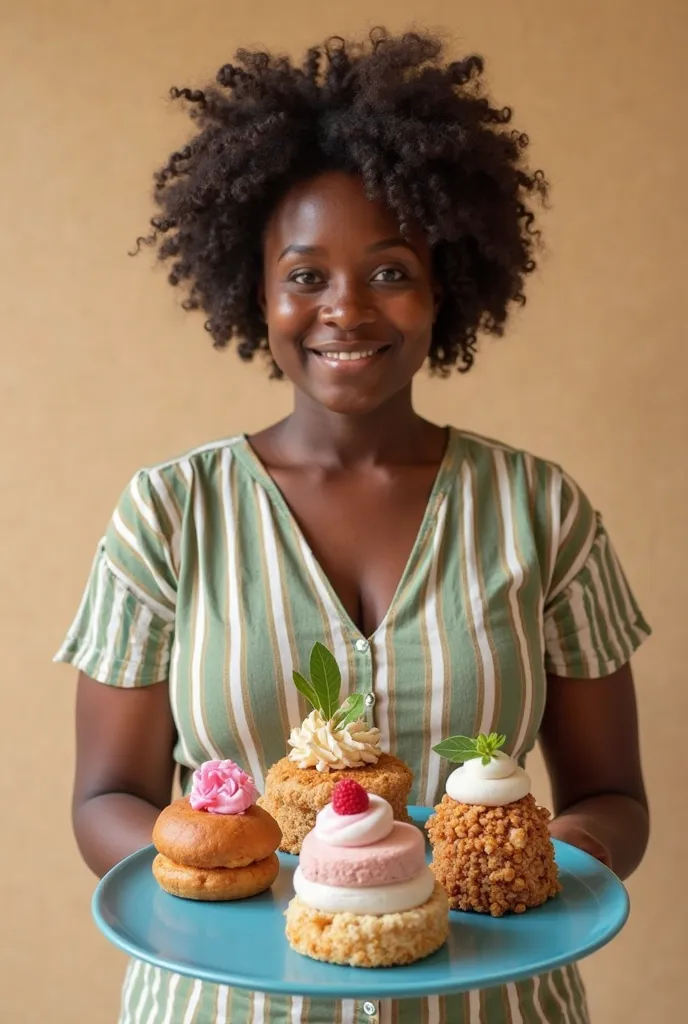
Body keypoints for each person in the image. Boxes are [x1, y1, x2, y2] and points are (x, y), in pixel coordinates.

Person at [55, 28, 651, 1024]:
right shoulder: (167, 512)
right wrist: (279, 882)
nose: (346, 309)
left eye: (388, 271)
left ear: (441, 289)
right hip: (225, 1004)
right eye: (305, 275)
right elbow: (104, 796)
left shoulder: (542, 511)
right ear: (257, 292)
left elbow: (613, 800)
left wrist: (527, 862)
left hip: (493, 1001)